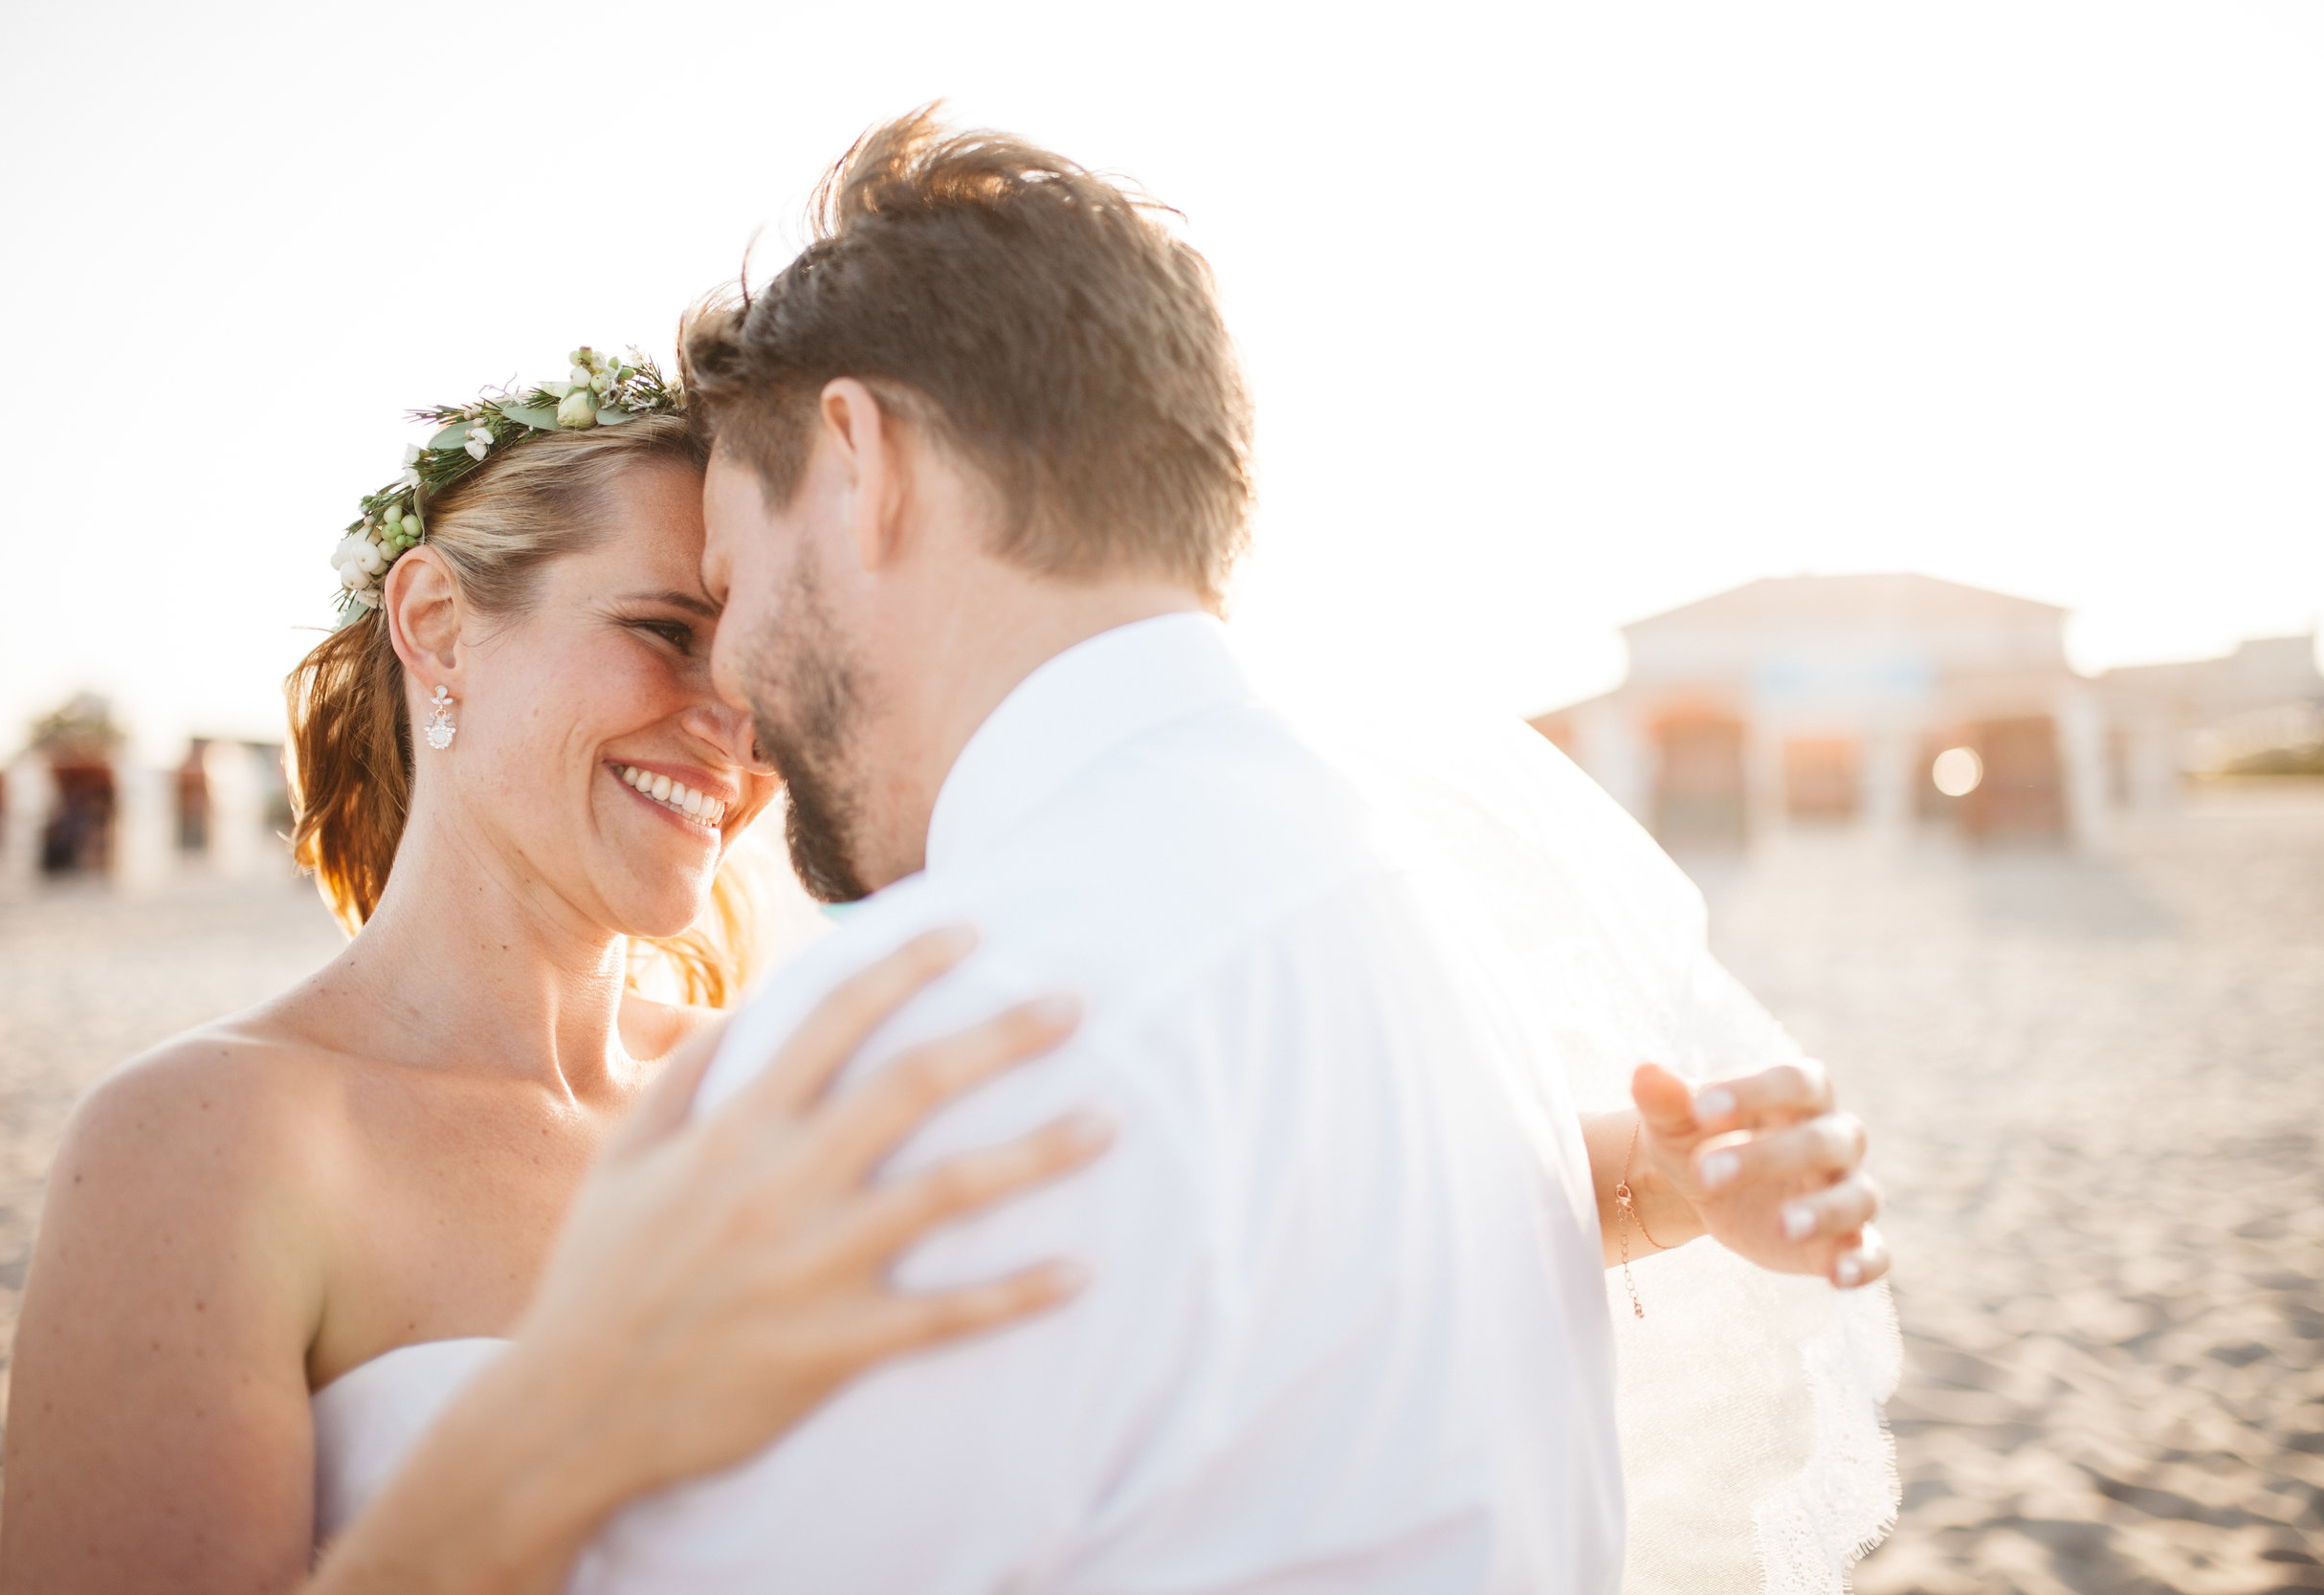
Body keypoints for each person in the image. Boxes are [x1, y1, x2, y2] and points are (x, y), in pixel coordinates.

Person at [491, 111, 1879, 1591]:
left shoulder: (909, 1044)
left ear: (858, 460)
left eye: (730, 577)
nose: (740, 687)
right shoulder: (1414, 907)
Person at [0, 384, 1114, 1593]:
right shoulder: (200, 1140)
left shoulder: (780, 1098)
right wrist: (568, 1423)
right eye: (665, 630)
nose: (735, 730)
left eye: (764, 667)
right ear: (436, 622)